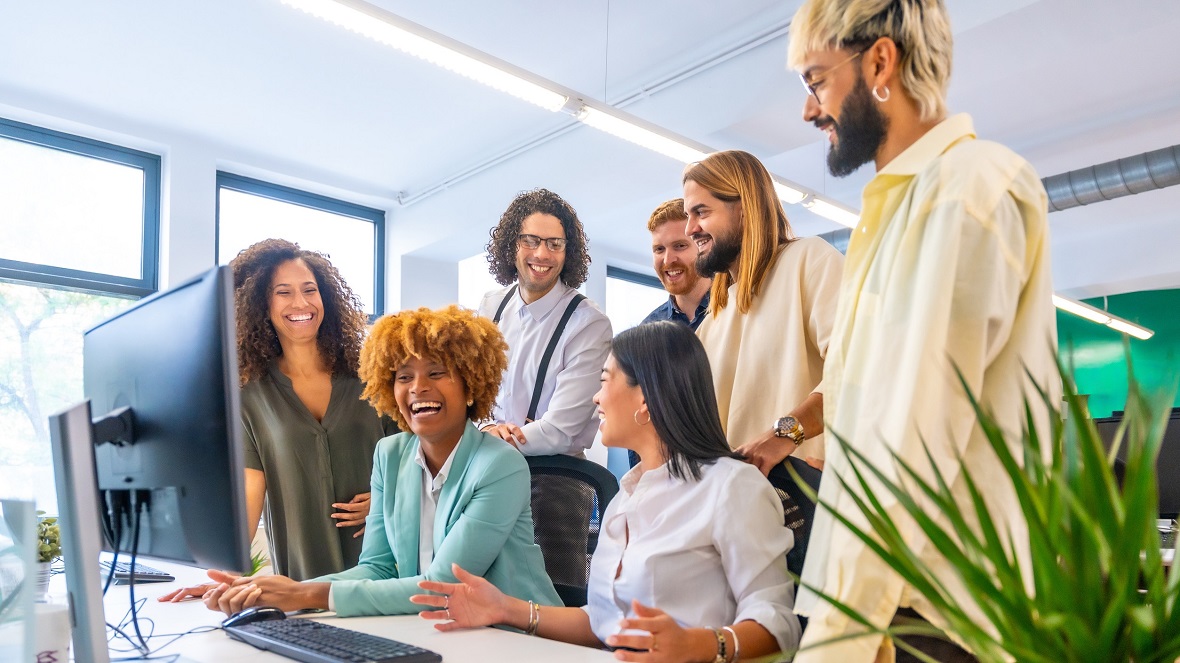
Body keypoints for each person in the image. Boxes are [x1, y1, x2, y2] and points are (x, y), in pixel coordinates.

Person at [787, 2, 1058, 662]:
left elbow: (905, 444)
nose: (808, 109)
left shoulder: (967, 189)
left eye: (815, 79)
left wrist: (836, 640)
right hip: (893, 612)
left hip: (936, 623)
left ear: (880, 61)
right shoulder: (899, 209)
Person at [410, 321, 801, 660]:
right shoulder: (624, 497)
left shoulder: (732, 487)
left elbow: (779, 623)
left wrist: (701, 646)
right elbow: (602, 625)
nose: (596, 397)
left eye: (604, 381)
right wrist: (503, 609)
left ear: (644, 399)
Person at [200, 305, 562, 617]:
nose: (418, 387)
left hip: (515, 638)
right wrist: (266, 590)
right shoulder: (390, 455)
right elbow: (377, 567)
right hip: (438, 628)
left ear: (470, 386)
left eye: (436, 373)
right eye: (404, 377)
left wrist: (304, 594)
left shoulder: (500, 465)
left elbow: (444, 587)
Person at [162, 239, 395, 599]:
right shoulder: (249, 395)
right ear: (260, 304)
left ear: (326, 298)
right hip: (300, 580)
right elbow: (250, 492)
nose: (300, 303)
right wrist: (228, 577)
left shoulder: (372, 374)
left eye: (309, 290)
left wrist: (385, 500)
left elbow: (416, 459)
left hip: (385, 569)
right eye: (283, 292)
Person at [686, 150, 843, 472]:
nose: (690, 229)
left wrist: (784, 434)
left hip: (805, 497)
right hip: (735, 505)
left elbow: (860, 370)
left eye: (700, 212)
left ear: (744, 210)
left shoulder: (808, 261)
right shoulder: (712, 321)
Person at [477, 188, 612, 456]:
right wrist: (485, 428)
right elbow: (471, 396)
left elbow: (559, 432)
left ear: (567, 251)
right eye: (530, 240)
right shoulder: (490, 307)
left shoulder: (589, 324)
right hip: (487, 470)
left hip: (555, 481)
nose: (541, 254)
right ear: (511, 244)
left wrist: (487, 442)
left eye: (555, 243)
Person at [640, 198, 712, 330]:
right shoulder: (648, 330)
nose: (668, 260)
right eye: (659, 249)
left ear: (702, 245)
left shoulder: (735, 309)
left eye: (679, 246)